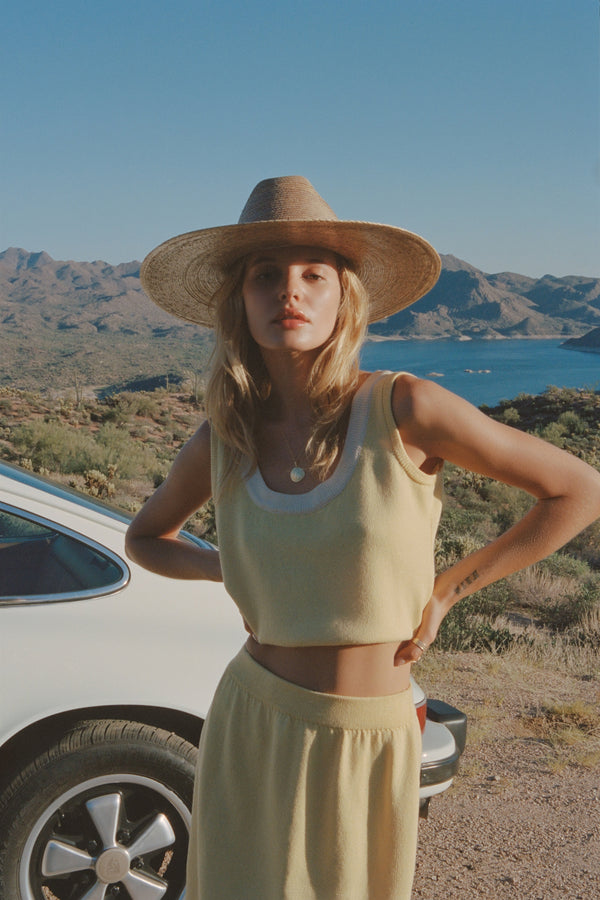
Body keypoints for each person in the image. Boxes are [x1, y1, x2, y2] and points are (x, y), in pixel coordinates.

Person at [126, 176, 600, 900]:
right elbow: (147, 539)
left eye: (314, 273)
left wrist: (448, 591)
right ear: (240, 302)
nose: (291, 290)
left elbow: (577, 491)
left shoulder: (404, 407)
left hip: (370, 733)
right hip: (254, 720)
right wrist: (240, 569)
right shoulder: (225, 436)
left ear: (344, 296)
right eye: (265, 276)